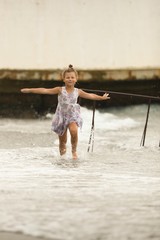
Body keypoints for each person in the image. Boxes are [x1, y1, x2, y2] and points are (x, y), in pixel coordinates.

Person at [21, 64, 110, 160]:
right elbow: (45, 90)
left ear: (76, 79)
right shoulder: (59, 90)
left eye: (72, 77)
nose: (70, 79)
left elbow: (91, 96)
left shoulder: (78, 91)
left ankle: (74, 151)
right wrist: (29, 90)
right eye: (67, 77)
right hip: (61, 117)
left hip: (73, 115)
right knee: (62, 142)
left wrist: (101, 97)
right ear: (63, 79)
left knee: (73, 130)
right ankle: (62, 158)